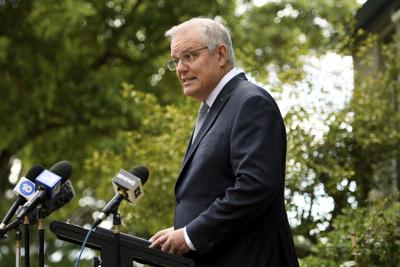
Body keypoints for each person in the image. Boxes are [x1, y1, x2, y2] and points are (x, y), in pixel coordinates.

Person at [149, 17, 299, 267]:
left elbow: (255, 186)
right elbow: (215, 188)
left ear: (220, 54)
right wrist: (183, 228)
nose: (180, 68)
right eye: (176, 61)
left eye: (189, 56)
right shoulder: (213, 108)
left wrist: (190, 235)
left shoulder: (250, 102)